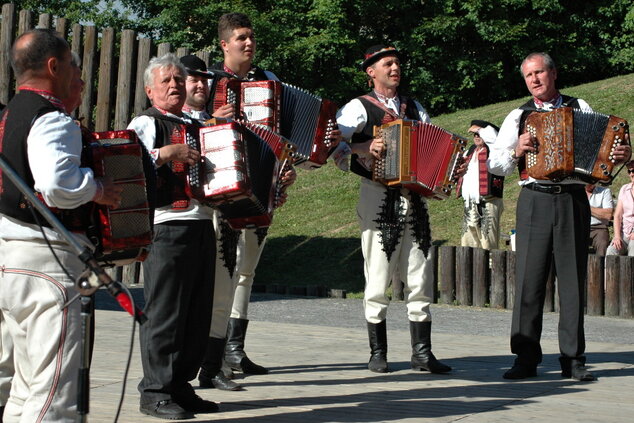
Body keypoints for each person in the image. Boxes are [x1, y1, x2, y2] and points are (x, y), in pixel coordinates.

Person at [0, 29, 121, 421]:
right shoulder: (51, 117)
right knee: (55, 392)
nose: (74, 72)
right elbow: (56, 184)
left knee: (25, 386)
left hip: (13, 258)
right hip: (48, 264)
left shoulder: (9, 114)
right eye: (71, 63)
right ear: (54, 66)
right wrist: (98, 188)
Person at [488, 52, 631, 381]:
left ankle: (573, 358)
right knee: (528, 280)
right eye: (528, 76)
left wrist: (621, 153)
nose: (534, 80)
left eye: (539, 73)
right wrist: (517, 150)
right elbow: (496, 164)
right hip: (534, 200)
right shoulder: (518, 115)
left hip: (572, 199)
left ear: (553, 74)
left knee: (572, 282)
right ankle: (525, 358)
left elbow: (604, 150)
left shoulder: (579, 106)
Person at [335, 45, 451, 374]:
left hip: (413, 198)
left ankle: (422, 353)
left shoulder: (414, 107)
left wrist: (439, 178)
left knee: (420, 274)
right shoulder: (358, 108)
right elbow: (335, 148)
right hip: (378, 196)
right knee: (378, 275)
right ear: (371, 71)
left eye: (398, 62)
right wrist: (361, 146)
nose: (395, 67)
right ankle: (378, 352)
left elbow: (434, 144)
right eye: (388, 63)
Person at [128, 53, 217, 419]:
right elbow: (128, 160)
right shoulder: (146, 122)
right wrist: (168, 152)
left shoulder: (197, 124)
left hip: (202, 223)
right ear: (150, 90)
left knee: (197, 313)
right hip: (167, 225)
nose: (175, 85)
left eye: (178, 80)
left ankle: (181, 386)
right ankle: (154, 391)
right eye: (166, 81)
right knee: (166, 312)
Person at [201, 12, 282, 381]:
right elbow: (190, 131)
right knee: (224, 271)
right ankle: (214, 353)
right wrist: (213, 120)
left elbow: (283, 135)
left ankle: (235, 349)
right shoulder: (208, 83)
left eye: (251, 37)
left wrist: (286, 164)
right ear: (224, 44)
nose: (248, 43)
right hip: (224, 188)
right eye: (240, 38)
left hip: (262, 187)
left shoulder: (271, 82)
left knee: (247, 270)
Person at [457, 120, 504, 250]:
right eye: (475, 134)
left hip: (489, 202)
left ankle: (490, 269)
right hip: (470, 203)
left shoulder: (495, 150)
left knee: (488, 243)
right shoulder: (470, 151)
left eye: (479, 133)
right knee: (468, 242)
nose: (476, 137)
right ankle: (470, 269)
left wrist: (484, 132)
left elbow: (497, 140)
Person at [606, 161, 634, 256]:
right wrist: (617, 236)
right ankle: (608, 271)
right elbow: (617, 215)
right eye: (629, 171)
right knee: (611, 251)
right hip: (624, 232)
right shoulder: (624, 189)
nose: (632, 174)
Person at [586, 184, 614, 256]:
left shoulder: (605, 191)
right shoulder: (576, 191)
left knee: (602, 243)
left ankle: (600, 266)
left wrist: (585, 207)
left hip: (599, 228)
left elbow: (608, 214)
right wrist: (598, 212)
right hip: (579, 226)